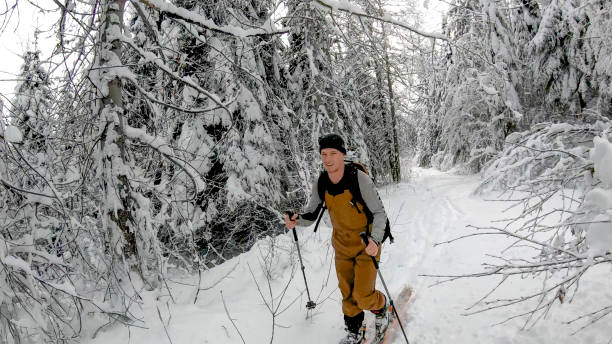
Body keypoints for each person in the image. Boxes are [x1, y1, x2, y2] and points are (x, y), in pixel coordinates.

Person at [285, 133, 390, 344]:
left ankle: (382, 308)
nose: (328, 158)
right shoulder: (321, 181)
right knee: (347, 294)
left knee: (363, 295)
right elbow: (311, 213)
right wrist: (296, 220)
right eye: (324, 154)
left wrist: (375, 241)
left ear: (342, 154)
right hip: (341, 246)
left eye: (333, 153)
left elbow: (380, 214)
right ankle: (355, 331)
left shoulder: (359, 179)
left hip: (365, 244)